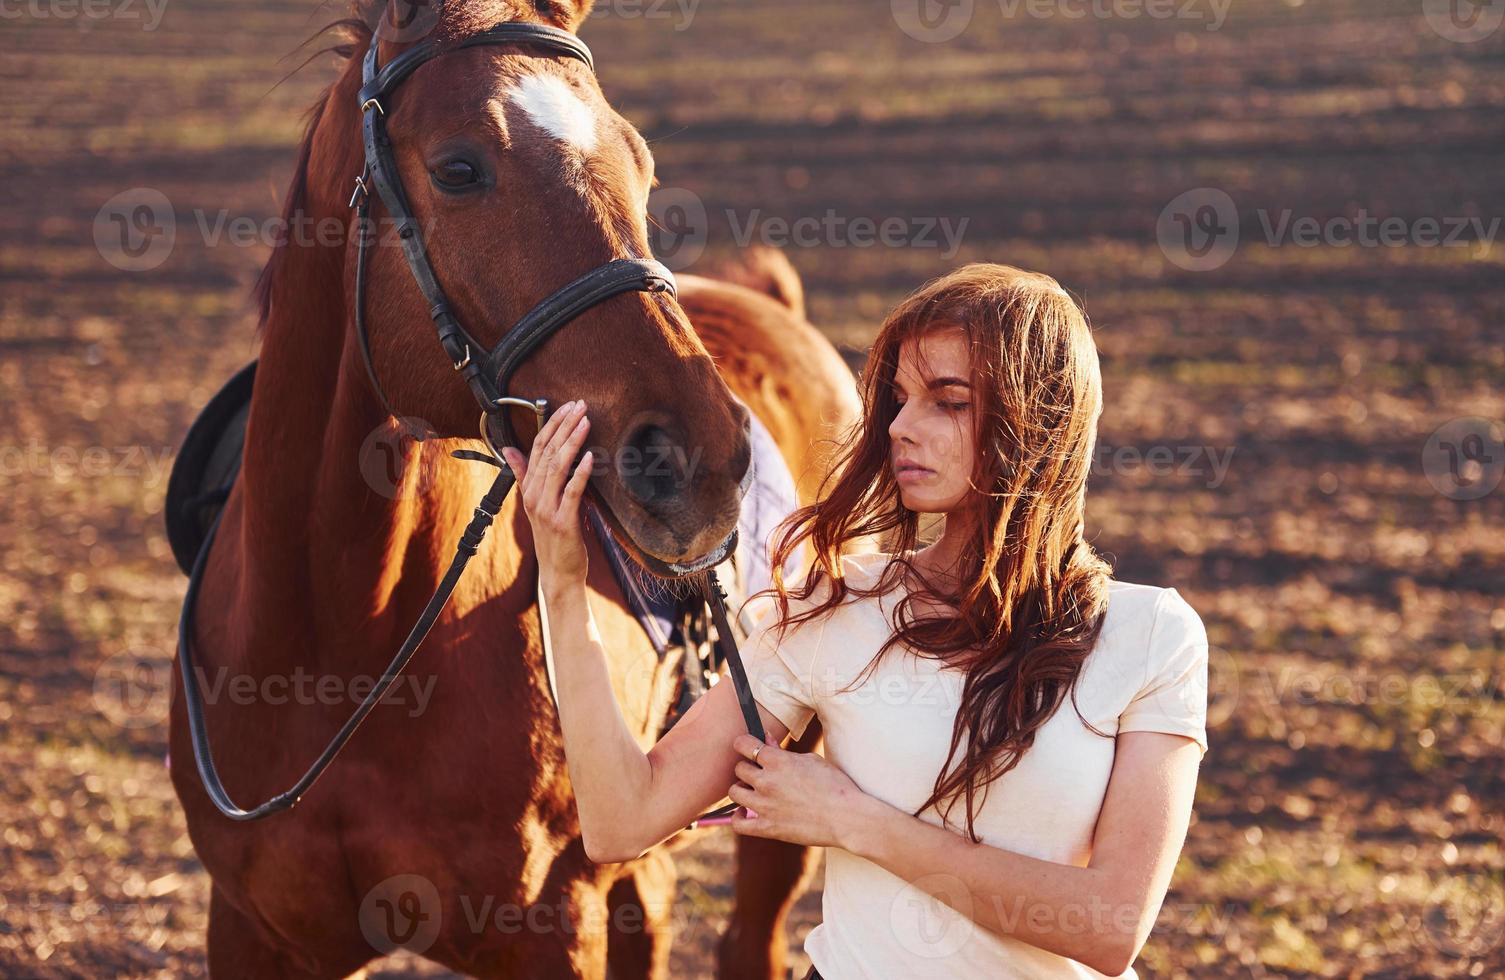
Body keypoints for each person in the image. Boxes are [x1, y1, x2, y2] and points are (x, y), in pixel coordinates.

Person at [499, 263, 1210, 979]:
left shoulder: (1151, 636)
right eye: (898, 399)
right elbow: (623, 820)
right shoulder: (829, 607)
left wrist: (854, 822)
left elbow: (1109, 927)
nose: (901, 427)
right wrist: (563, 584)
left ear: (1040, 417)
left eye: (947, 401)